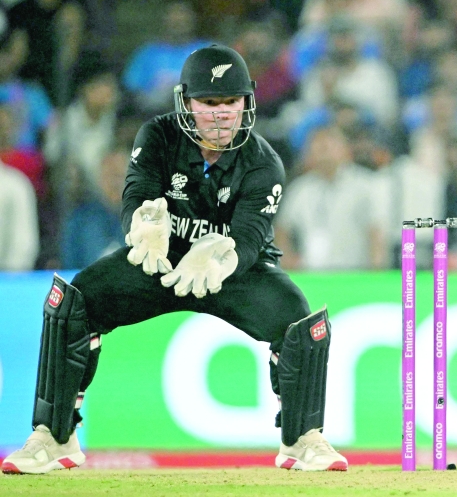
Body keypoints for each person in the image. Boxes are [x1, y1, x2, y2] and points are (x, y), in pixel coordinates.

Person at [1, 45, 347, 474]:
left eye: (230, 102)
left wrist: (225, 258)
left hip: (227, 271)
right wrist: (141, 225)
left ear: (247, 103)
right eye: (209, 103)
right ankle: (52, 438)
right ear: (187, 102)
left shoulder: (264, 163)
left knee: (301, 323)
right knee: (72, 302)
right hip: (159, 262)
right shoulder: (159, 136)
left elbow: (250, 238)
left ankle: (304, 441)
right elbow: (135, 195)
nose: (221, 115)